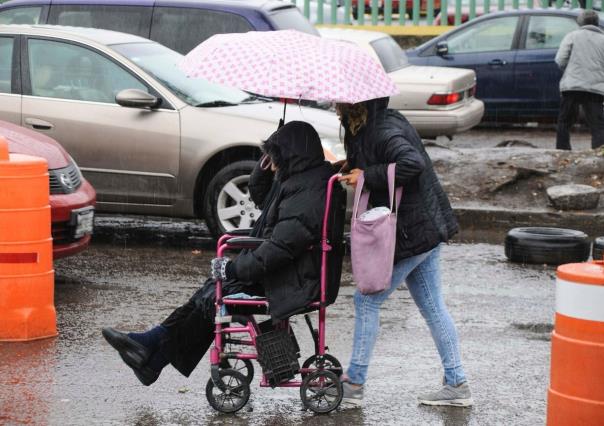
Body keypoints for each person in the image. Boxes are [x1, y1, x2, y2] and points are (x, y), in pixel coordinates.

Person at [101, 121, 343, 385]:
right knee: (208, 292)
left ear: (289, 154)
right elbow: (264, 199)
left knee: (214, 294)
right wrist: (265, 164)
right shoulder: (300, 179)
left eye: (274, 154)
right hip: (286, 272)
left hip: (292, 280)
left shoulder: (307, 191)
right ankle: (150, 351)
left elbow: (281, 247)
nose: (271, 161)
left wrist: (235, 268)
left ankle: (151, 353)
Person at [335, 99, 473, 407]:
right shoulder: (369, 125)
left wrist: (367, 176)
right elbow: (377, 159)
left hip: (413, 230)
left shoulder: (383, 129)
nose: (334, 106)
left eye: (339, 102)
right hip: (422, 228)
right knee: (434, 307)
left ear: (356, 104)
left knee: (366, 299)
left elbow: (412, 163)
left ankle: (354, 383)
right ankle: (457, 383)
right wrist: (350, 166)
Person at [555, 9, 604, 150]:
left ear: (580, 22)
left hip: (572, 86)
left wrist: (571, 72)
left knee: (564, 122)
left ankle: (562, 153)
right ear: (596, 23)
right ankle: (599, 156)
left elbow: (560, 59)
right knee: (598, 125)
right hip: (595, 88)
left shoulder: (572, 36)